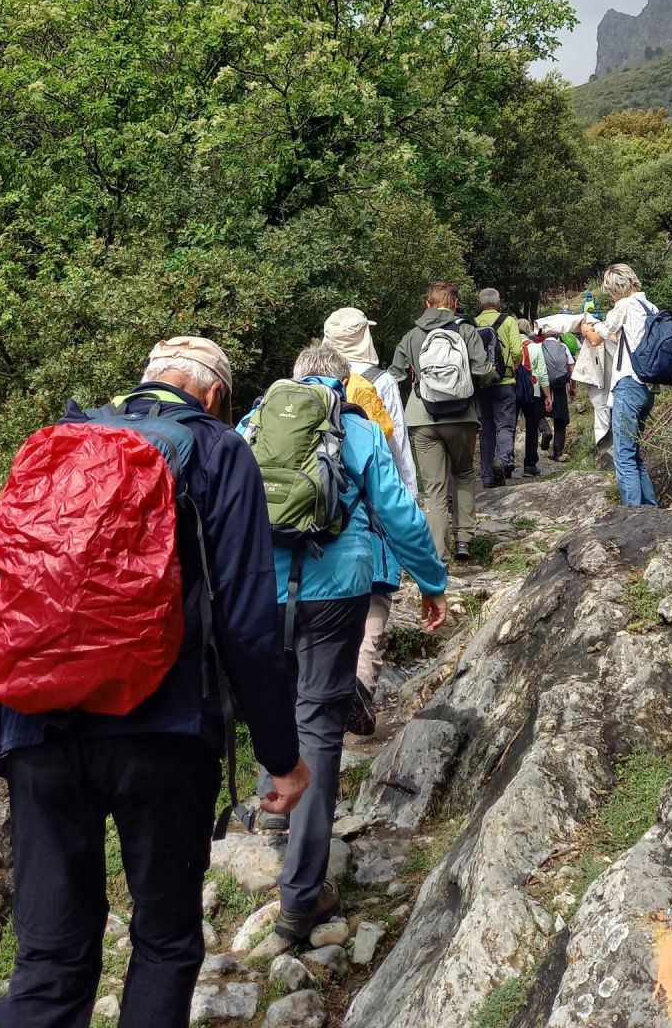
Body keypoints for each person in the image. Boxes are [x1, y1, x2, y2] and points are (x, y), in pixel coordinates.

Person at [0, 337, 309, 1028]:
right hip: (163, 729)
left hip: (36, 725)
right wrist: (281, 756)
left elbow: (20, 593)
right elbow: (247, 622)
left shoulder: (62, 438)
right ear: (213, 396)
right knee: (163, 941)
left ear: (147, 380)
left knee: (50, 957)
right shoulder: (218, 450)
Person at [241, 343, 447, 939]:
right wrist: (431, 581)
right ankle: (302, 896)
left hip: (262, 586)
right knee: (320, 722)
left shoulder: (254, 422)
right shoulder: (353, 428)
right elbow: (398, 511)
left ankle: (272, 810)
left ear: (294, 378)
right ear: (342, 382)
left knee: (273, 698)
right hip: (338, 587)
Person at [322, 306, 419, 732]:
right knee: (376, 597)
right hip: (370, 509)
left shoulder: (300, 382)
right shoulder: (378, 382)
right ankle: (359, 690)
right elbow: (396, 451)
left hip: (316, 511)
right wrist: (409, 506)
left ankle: (319, 696)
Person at [389, 282, 495, 561]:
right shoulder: (467, 331)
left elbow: (395, 375)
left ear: (427, 304)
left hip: (422, 418)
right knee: (463, 473)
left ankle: (438, 552)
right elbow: (483, 372)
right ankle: (464, 541)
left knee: (434, 487)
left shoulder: (411, 335)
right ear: (456, 304)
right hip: (462, 417)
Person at [582, 264, 660, 506]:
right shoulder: (651, 307)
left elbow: (597, 337)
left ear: (615, 290)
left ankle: (632, 515)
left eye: (610, 292)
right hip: (648, 390)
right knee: (634, 454)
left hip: (628, 386)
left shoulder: (624, 306)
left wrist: (586, 328)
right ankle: (651, 510)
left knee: (623, 455)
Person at [473, 288, 522, 488]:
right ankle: (502, 460)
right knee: (505, 425)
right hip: (505, 382)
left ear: (480, 304)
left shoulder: (473, 324)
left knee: (486, 430)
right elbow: (518, 351)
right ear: (498, 303)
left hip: (482, 384)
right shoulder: (509, 321)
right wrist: (510, 365)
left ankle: (486, 476)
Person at [515, 317, 553, 478]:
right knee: (531, 427)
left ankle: (506, 460)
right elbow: (543, 373)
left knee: (509, 426)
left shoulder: (510, 346)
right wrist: (548, 395)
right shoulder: (536, 348)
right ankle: (530, 464)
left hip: (514, 388)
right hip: (534, 390)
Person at [536, 326, 575, 462]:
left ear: (544, 335)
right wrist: (572, 387)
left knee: (537, 413)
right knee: (560, 419)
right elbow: (571, 368)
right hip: (560, 385)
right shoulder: (563, 346)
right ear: (557, 334)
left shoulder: (538, 347)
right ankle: (558, 452)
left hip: (542, 385)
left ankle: (545, 429)